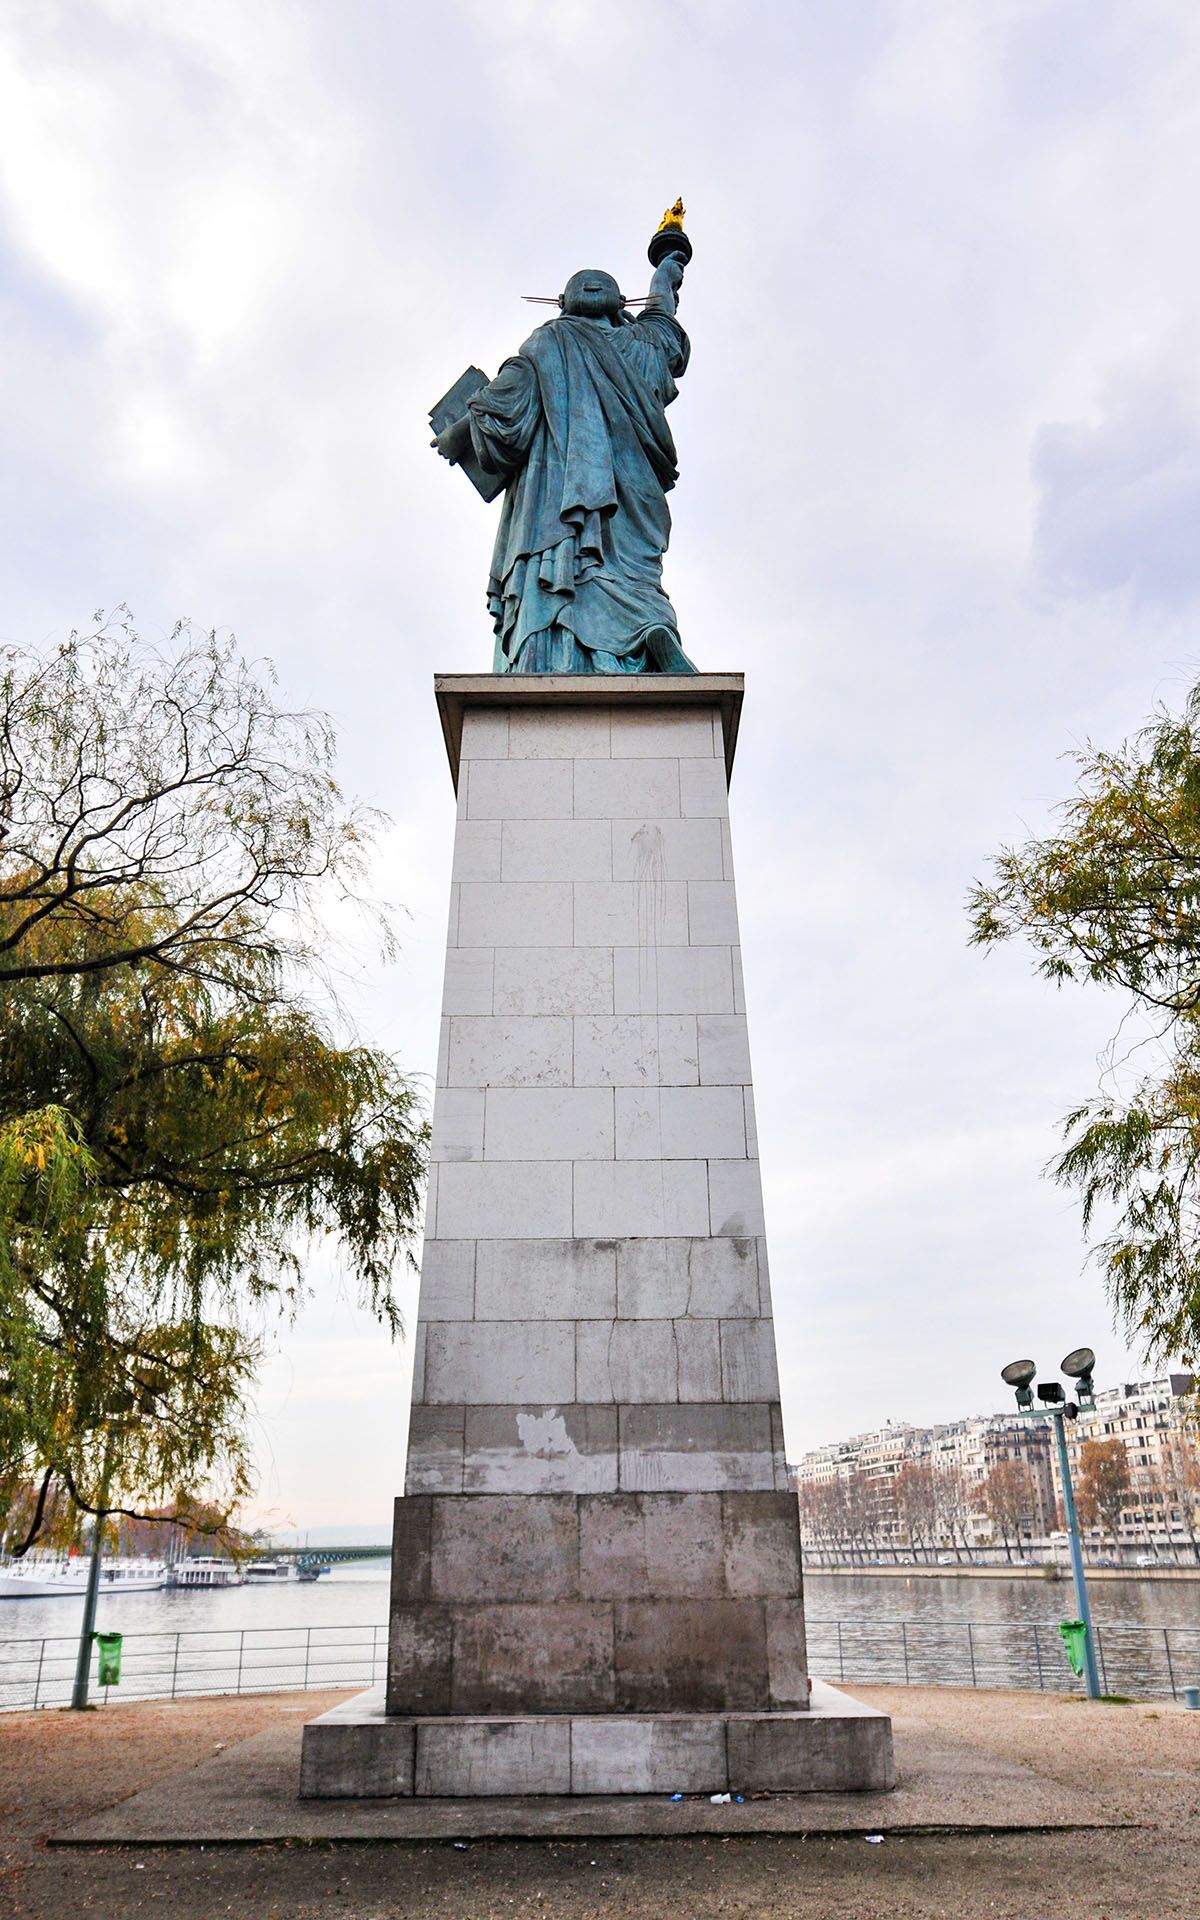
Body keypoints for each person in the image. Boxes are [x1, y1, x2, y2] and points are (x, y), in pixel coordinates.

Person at [433, 256, 696, 674]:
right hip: (598, 486)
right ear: (561, 301)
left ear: (622, 302)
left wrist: (458, 433)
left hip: (566, 494)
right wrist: (666, 272)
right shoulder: (570, 342)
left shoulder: (570, 340)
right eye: (582, 282)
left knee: (571, 562)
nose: (591, 283)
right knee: (625, 571)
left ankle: (558, 651)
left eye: (600, 282)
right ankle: (646, 628)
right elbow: (509, 395)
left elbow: (501, 402)